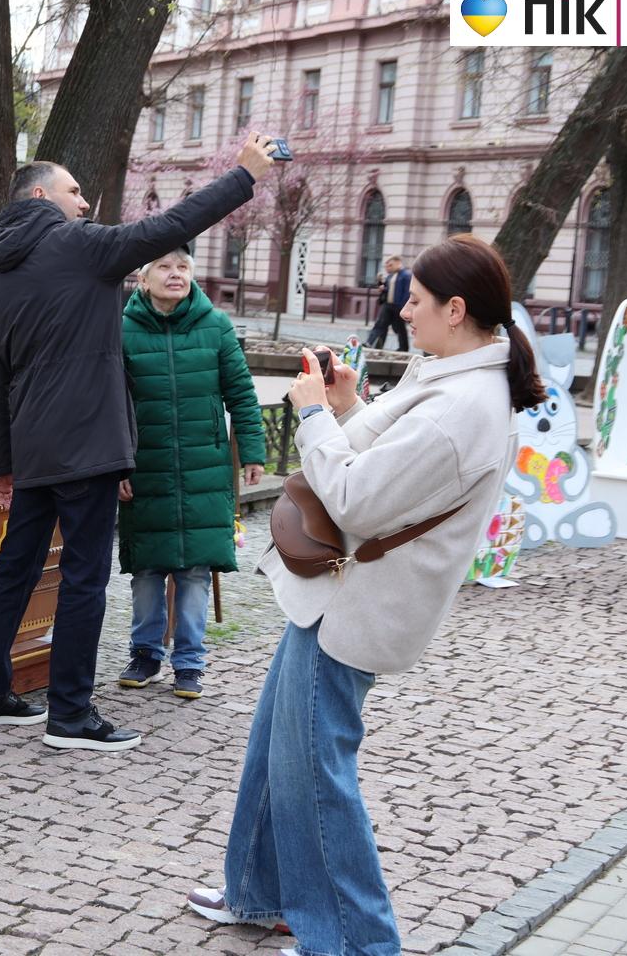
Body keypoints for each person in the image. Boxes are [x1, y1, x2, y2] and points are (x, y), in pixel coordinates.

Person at [186, 235, 545, 955]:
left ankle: (356, 939)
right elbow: (380, 467)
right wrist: (348, 407)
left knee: (316, 770)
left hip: (360, 602)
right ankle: (263, 891)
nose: (403, 313)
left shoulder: (462, 402)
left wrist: (315, 412)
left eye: (414, 302)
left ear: (455, 307)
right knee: (277, 747)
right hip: (341, 591)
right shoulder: (447, 371)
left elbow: (351, 495)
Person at [0, 132, 278, 751]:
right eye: (72, 191)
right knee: (83, 576)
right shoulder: (78, 246)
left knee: (16, 568)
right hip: (87, 445)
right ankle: (71, 715)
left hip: (33, 448)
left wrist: (2, 462)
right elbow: (170, 226)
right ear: (38, 195)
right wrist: (244, 175)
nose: (83, 203)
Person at [115, 249, 265, 699]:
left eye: (183, 267)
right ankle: (145, 654)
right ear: (144, 278)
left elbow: (241, 392)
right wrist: (117, 464)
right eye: (163, 266)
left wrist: (253, 451)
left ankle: (190, 662)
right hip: (147, 466)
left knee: (195, 572)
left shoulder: (215, 325)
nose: (175, 274)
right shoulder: (120, 329)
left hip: (204, 467)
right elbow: (110, 404)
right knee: (147, 568)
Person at [365, 254, 411, 351]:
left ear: (398, 263)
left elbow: (407, 292)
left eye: (390, 265)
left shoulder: (406, 275)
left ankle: (403, 348)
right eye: (387, 266)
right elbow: (389, 289)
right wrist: (383, 288)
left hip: (399, 306)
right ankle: (371, 343)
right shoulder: (390, 276)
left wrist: (404, 307)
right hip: (388, 305)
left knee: (400, 328)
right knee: (380, 324)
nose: (388, 268)